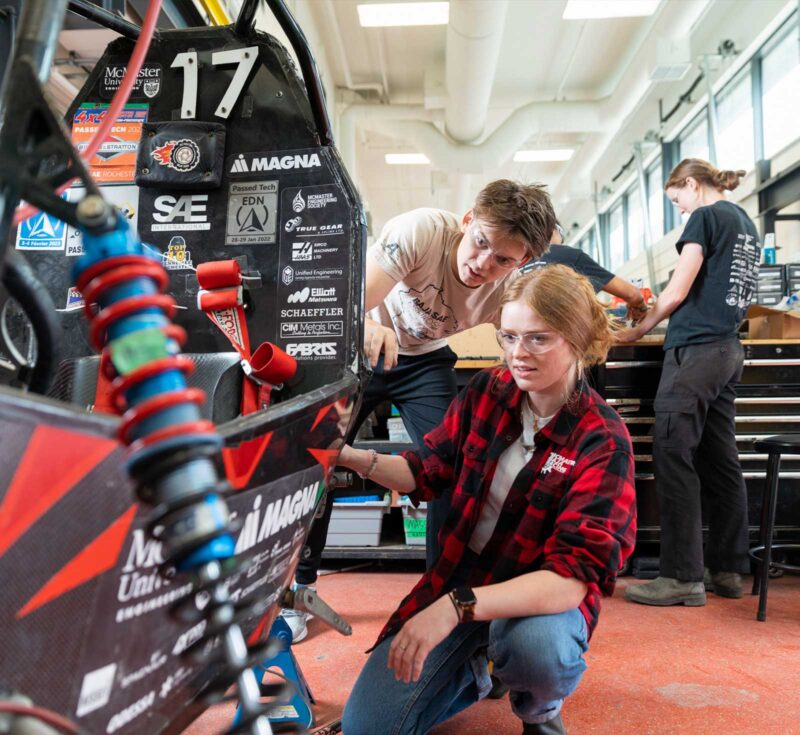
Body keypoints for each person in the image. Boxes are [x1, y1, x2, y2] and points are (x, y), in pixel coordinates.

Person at [337, 265, 637, 735]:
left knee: (537, 646)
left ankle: (539, 710)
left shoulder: (602, 439)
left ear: (577, 339)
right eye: (509, 336)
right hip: (464, 576)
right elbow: (425, 470)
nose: (518, 354)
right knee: (369, 728)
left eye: (538, 339)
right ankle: (478, 672)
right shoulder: (488, 393)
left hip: (535, 601)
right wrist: (349, 456)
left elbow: (570, 581)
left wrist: (454, 607)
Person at [282, 180, 557, 642]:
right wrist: (367, 325)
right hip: (357, 349)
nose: (481, 264)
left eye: (503, 260)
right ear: (468, 221)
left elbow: (521, 349)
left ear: (522, 262)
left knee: (453, 467)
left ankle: (442, 596)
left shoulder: (511, 289)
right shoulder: (422, 231)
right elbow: (347, 300)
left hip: (425, 361)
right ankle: (299, 586)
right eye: (480, 243)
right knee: (319, 457)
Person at [619, 158, 760, 607]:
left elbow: (677, 290)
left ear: (691, 185)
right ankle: (728, 568)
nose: (680, 211)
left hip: (696, 352)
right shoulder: (746, 223)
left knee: (673, 455)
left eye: (676, 200)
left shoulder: (704, 217)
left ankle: (681, 576)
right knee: (721, 460)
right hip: (728, 350)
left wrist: (637, 329)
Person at [531, 224, 649, 323]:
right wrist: (641, 307)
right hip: (565, 335)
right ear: (554, 230)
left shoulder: (519, 260)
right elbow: (632, 294)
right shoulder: (570, 255)